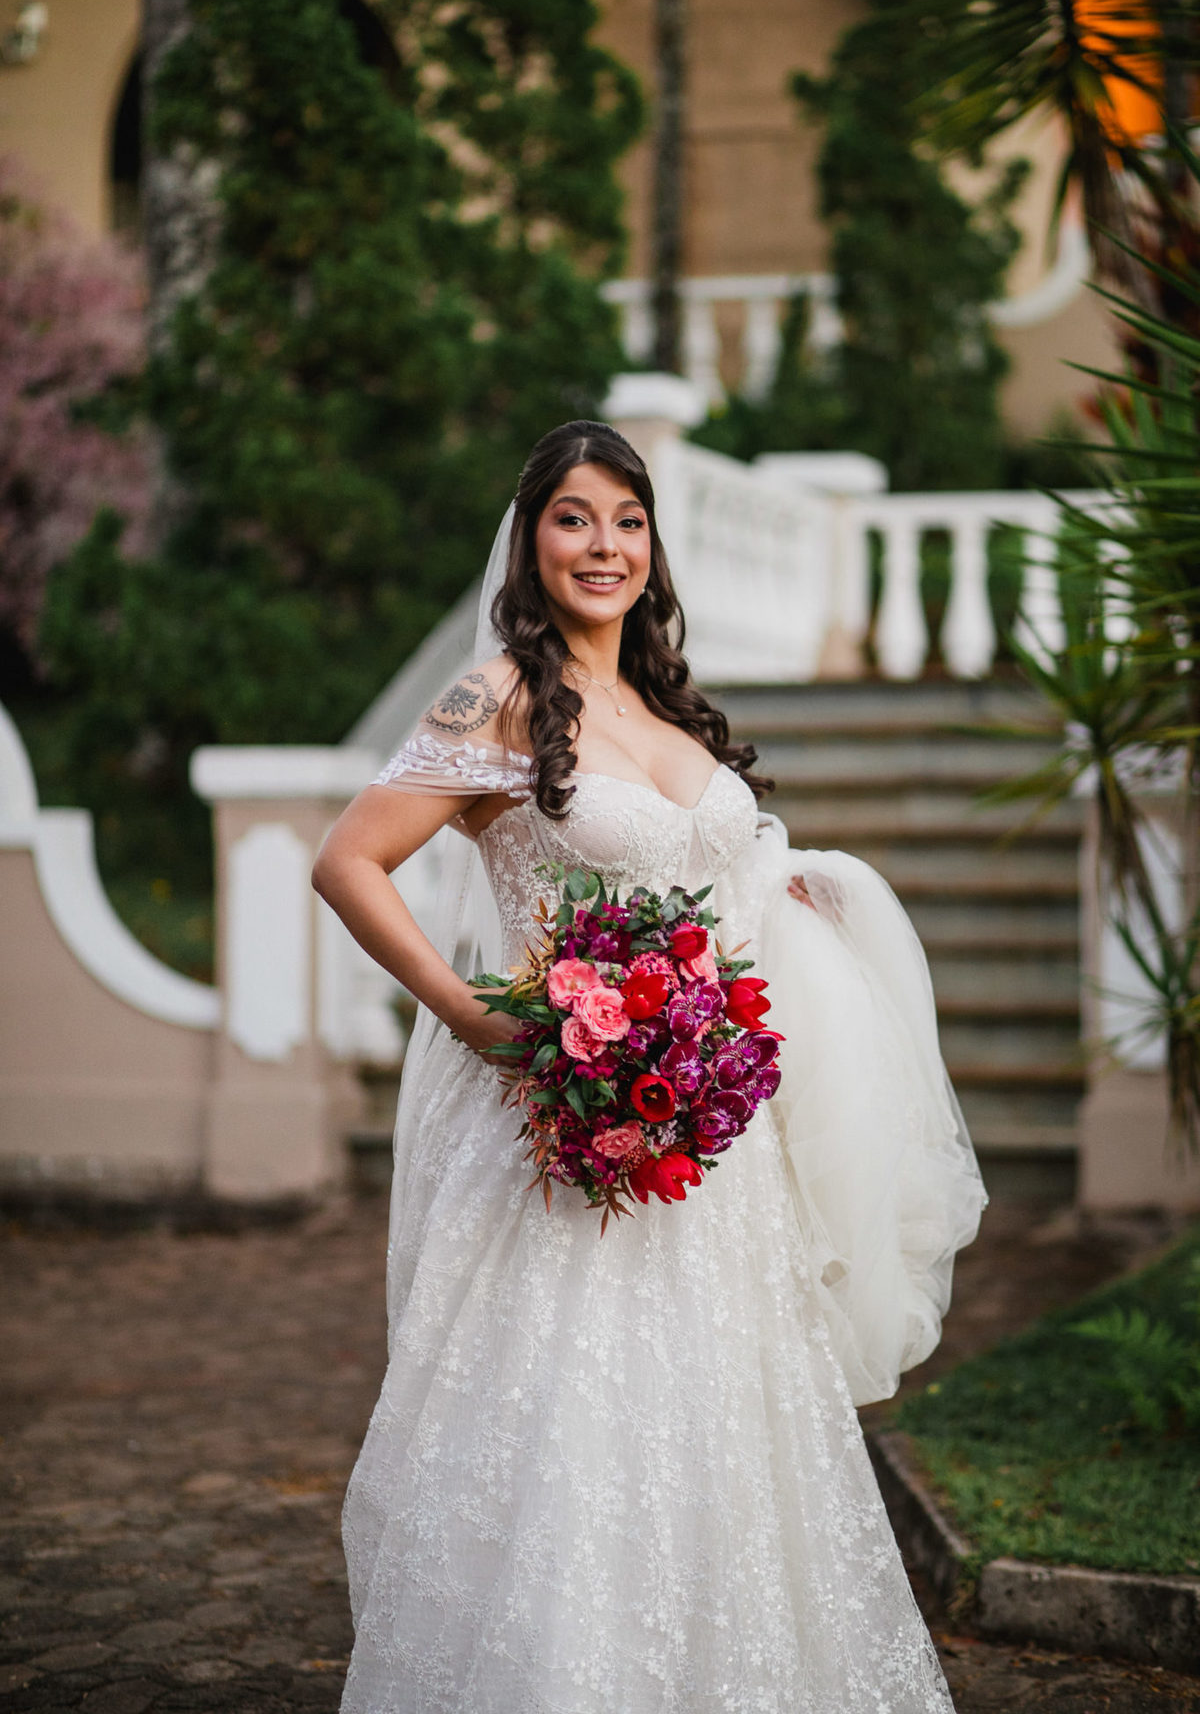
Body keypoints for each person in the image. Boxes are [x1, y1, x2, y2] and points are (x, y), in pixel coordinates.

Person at [313, 419, 986, 1714]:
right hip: (562, 1138)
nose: (604, 545)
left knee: (725, 1442)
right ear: (530, 540)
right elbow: (349, 861)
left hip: (711, 1145)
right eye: (573, 517)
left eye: (628, 520)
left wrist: (785, 898)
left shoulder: (667, 704)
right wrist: (470, 1012)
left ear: (654, 546)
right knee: (574, 1438)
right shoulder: (494, 701)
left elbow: (715, 880)